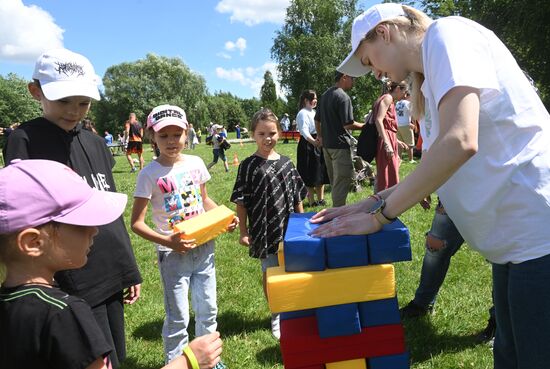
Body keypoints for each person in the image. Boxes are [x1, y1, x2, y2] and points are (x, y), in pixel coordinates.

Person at [311, 3, 550, 369]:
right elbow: (436, 165)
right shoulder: (432, 77)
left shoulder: (447, 34)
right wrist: (370, 202)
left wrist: (381, 218)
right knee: (510, 356)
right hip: (512, 248)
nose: (375, 72)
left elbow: (460, 141)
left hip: (537, 237)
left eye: (368, 58)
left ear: (385, 33)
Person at [0, 159, 224, 369]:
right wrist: (187, 361)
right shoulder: (64, 314)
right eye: (81, 223)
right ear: (33, 242)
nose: (95, 230)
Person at [2, 48, 142, 368]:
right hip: (72, 275)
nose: (74, 111)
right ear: (36, 91)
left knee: (114, 353)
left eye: (83, 102)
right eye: (64, 101)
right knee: (85, 353)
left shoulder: (95, 142)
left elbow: (109, 202)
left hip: (110, 266)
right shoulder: (24, 139)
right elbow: (27, 210)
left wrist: (128, 266)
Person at [131, 104, 237, 366]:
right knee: (178, 316)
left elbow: (203, 200)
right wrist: (168, 242)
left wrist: (225, 217)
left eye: (176, 134)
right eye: (163, 135)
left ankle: (209, 361)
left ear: (187, 133)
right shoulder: (149, 174)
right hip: (173, 254)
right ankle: (176, 362)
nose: (171, 141)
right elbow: (136, 223)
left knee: (208, 309)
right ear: (151, 136)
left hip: (204, 247)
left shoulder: (196, 163)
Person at [230, 108, 307, 339]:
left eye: (272, 133)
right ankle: (277, 313)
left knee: (293, 270)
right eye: (262, 133)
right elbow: (241, 202)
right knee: (271, 272)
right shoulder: (248, 166)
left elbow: (297, 198)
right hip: (264, 231)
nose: (268, 138)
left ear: (280, 133)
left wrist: (302, 227)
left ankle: (294, 309)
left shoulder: (287, 163)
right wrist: (243, 231)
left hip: (290, 229)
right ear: (253, 134)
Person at [400, 196, 496, 344]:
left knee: (501, 260)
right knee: (435, 248)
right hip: (453, 196)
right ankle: (421, 304)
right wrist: (425, 185)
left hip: (496, 198)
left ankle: (499, 323)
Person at [315, 72, 364, 207]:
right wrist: (366, 126)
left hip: (327, 147)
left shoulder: (325, 95)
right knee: (341, 183)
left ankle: (336, 215)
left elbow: (317, 120)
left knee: (335, 182)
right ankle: (337, 217)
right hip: (340, 147)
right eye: (352, 78)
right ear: (344, 77)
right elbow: (348, 124)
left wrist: (320, 137)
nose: (354, 81)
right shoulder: (343, 97)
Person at [373, 80, 408, 193]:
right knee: (386, 174)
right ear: (398, 89)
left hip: (389, 138)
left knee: (391, 171)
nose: (405, 95)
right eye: (404, 92)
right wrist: (387, 143)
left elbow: (386, 124)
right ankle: (384, 202)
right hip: (386, 140)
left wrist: (396, 141)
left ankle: (388, 201)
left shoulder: (390, 100)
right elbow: (379, 120)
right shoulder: (387, 98)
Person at [295, 89, 328, 207]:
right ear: (306, 100)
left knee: (320, 172)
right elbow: (304, 131)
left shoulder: (314, 112)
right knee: (310, 173)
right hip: (308, 145)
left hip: (317, 141)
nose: (316, 101)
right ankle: (312, 201)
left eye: (316, 99)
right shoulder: (302, 113)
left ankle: (321, 199)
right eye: (314, 99)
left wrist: (320, 139)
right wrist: (314, 142)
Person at [395, 91, 416, 163]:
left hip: (397, 125)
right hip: (406, 125)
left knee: (399, 143)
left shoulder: (397, 103)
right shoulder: (408, 103)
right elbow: (412, 114)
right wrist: (413, 124)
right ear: (407, 96)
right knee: (410, 143)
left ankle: (399, 158)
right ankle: (411, 159)